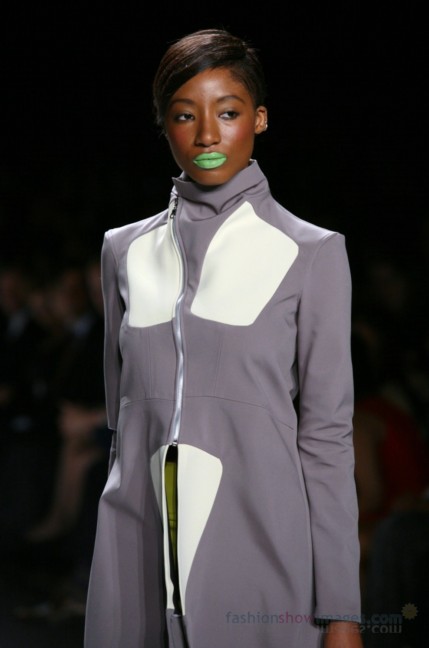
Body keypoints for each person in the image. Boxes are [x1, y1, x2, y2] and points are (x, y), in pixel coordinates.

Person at [84, 28, 363, 648]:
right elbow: (121, 424)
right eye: (185, 115)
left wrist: (342, 610)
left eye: (229, 112)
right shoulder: (123, 251)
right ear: (164, 125)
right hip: (135, 551)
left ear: (260, 118)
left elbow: (327, 439)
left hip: (262, 553)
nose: (208, 134)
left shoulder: (311, 253)